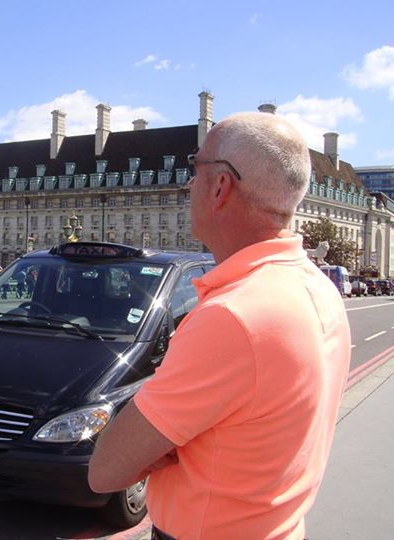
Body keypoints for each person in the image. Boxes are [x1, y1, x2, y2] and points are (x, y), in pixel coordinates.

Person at [88, 112, 351, 540]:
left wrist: (161, 445)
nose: (187, 185)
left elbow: (106, 469)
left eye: (196, 169)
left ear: (221, 186)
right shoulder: (320, 291)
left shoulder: (232, 317)